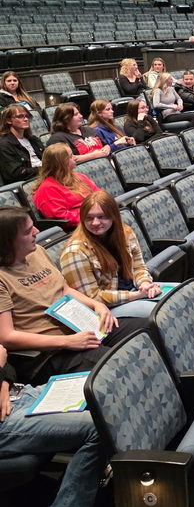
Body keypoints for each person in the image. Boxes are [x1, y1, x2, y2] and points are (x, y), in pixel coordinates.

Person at [0, 207, 148, 383]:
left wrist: (96, 305)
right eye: (27, 231)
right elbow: (7, 337)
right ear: (7, 241)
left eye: (33, 227)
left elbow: (64, 289)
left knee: (148, 329)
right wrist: (67, 342)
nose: (36, 232)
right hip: (48, 353)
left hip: (79, 326)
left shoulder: (37, 251)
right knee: (119, 365)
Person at [0, 342, 110, 507]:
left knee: (102, 383)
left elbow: (3, 353)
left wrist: (3, 384)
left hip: (16, 395)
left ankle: (94, 496)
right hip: (4, 421)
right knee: (98, 426)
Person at [60, 190, 162, 318]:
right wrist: (134, 296)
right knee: (161, 313)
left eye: (101, 216)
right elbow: (92, 298)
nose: (95, 223)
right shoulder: (75, 252)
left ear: (113, 216)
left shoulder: (125, 233)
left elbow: (138, 267)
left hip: (133, 291)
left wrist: (145, 285)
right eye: (89, 218)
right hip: (106, 310)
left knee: (179, 297)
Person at [32, 144, 100, 225]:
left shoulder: (79, 176)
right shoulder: (47, 189)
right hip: (79, 227)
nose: (75, 157)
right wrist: (92, 214)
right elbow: (62, 218)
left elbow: (99, 194)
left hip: (96, 217)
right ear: (61, 163)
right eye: (71, 156)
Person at [0, 104, 44, 184]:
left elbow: (48, 157)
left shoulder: (33, 139)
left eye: (27, 116)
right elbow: (16, 173)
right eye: (20, 116)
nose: (26, 119)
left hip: (44, 175)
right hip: (30, 182)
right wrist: (44, 169)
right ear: (9, 120)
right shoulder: (4, 145)